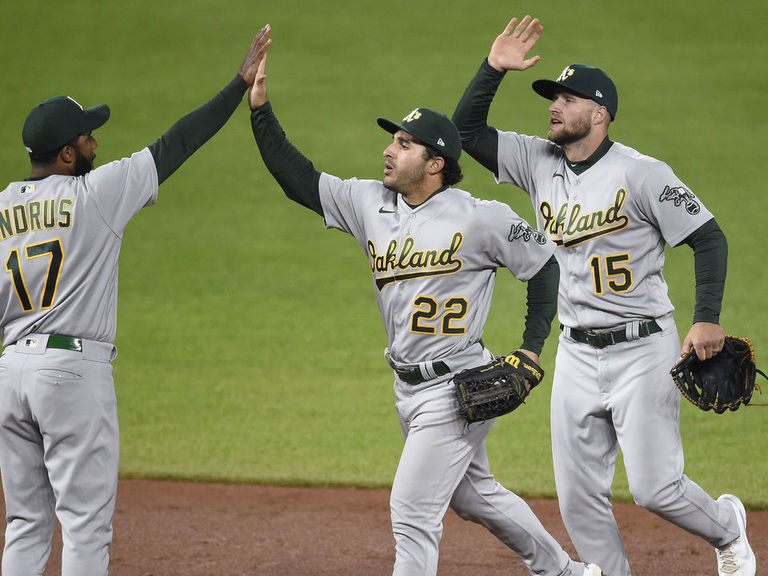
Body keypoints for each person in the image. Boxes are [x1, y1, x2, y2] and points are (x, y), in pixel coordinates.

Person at [248, 43, 602, 576]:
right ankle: (568, 572)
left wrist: (531, 348)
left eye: (405, 144)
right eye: (392, 139)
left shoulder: (481, 217)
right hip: (406, 387)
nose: (390, 150)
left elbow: (544, 267)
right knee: (474, 496)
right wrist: (260, 110)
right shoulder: (369, 202)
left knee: (412, 512)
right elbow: (297, 179)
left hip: (457, 386)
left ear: (435, 163)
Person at [452, 14, 756, 576]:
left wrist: (707, 318)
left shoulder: (642, 174)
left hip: (643, 348)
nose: (553, 106)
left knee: (655, 488)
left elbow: (709, 238)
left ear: (599, 113)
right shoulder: (536, 162)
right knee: (578, 497)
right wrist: (493, 69)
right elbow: (465, 133)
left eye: (566, 99)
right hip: (575, 352)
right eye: (551, 97)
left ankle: (727, 528)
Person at [0, 26, 272, 576]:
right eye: (89, 138)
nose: (97, 144)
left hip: (9, 374)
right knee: (84, 524)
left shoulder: (3, 208)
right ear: (69, 152)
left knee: (27, 522)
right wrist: (237, 84)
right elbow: (177, 143)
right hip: (70, 371)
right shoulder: (96, 193)